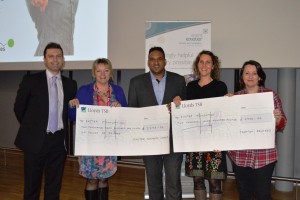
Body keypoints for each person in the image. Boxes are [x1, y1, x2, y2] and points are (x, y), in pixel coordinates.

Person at [14, 42, 77, 200]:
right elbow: (19, 108)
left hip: (58, 142)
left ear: (63, 60)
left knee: (54, 188)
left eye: (58, 56)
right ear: (44, 59)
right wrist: (33, 128)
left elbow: (69, 112)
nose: (55, 59)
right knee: (31, 187)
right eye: (51, 56)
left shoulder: (71, 85)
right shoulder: (30, 80)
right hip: (35, 141)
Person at [128, 46, 186, 200]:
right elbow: (132, 112)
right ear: (148, 62)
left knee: (173, 181)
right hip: (149, 141)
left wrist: (178, 106)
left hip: (173, 140)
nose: (156, 62)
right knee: (153, 182)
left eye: (159, 59)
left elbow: (185, 109)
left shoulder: (179, 80)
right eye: (152, 59)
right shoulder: (136, 82)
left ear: (165, 61)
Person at [68, 58, 127, 200]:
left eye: (106, 70)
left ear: (110, 73)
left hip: (109, 144)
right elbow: (72, 117)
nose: (102, 74)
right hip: (89, 144)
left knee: (104, 179)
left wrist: (121, 108)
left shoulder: (117, 91)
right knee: (92, 179)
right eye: (99, 71)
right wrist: (71, 106)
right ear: (93, 73)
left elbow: (126, 117)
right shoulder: (84, 91)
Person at [227, 60, 287, 200]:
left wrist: (278, 119)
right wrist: (226, 105)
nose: (250, 76)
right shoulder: (235, 98)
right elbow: (228, 126)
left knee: (262, 194)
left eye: (254, 73)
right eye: (247, 73)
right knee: (244, 194)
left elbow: (282, 124)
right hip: (240, 156)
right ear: (242, 76)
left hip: (264, 156)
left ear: (260, 76)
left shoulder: (271, 95)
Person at [173, 50, 227, 200]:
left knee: (214, 182)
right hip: (194, 141)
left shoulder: (220, 86)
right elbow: (184, 111)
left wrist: (229, 101)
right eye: (201, 62)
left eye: (208, 62)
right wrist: (178, 102)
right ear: (197, 65)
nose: (204, 65)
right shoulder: (190, 87)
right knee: (197, 181)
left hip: (214, 142)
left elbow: (223, 114)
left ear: (213, 65)